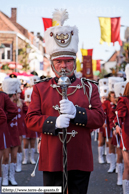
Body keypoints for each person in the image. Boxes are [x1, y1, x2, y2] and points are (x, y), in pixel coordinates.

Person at [25, 9, 104, 194]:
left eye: (68, 61)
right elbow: (30, 119)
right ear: (52, 63)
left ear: (74, 62)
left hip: (81, 158)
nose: (63, 66)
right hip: (52, 158)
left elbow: (100, 118)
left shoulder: (90, 87)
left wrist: (77, 113)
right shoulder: (40, 88)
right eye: (59, 62)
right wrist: (53, 122)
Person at [115, 82, 129, 194]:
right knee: (128, 165)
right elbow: (119, 116)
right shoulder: (124, 100)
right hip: (127, 134)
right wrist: (117, 125)